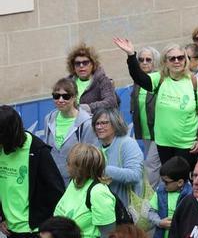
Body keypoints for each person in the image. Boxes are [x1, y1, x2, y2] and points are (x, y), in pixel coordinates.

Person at [115, 38, 198, 167]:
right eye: (172, 58)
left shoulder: (193, 81)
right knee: (169, 181)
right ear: (165, 62)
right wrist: (131, 55)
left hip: (187, 144)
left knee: (187, 181)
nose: (177, 61)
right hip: (163, 143)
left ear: (185, 60)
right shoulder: (160, 79)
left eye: (180, 58)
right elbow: (139, 78)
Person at [0, 106, 65, 238]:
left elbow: (56, 191)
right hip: (10, 230)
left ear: (7, 134)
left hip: (34, 231)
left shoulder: (37, 150)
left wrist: (46, 227)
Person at [53, 143, 117, 238]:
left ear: (80, 168)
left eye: (69, 163)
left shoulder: (98, 192)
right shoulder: (74, 182)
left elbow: (108, 234)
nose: (66, 166)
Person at [43, 78, 99, 185]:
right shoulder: (48, 119)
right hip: (53, 180)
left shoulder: (86, 123)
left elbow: (91, 158)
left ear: (75, 97)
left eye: (66, 96)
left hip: (77, 181)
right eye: (56, 96)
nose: (60, 100)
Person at [125, 44, 163, 189]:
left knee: (151, 164)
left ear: (156, 62)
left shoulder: (159, 80)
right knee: (154, 163)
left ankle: (150, 194)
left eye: (148, 60)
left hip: (158, 131)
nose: (144, 63)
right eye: (141, 60)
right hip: (145, 131)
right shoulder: (138, 82)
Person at [91, 108, 144, 208]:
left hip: (127, 208)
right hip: (105, 206)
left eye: (104, 123)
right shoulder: (95, 146)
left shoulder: (127, 143)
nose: (99, 127)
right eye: (96, 124)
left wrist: (103, 170)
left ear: (115, 124)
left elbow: (135, 175)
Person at [65, 44, 118, 113]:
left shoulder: (102, 80)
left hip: (96, 121)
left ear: (92, 64)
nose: (81, 66)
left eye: (85, 62)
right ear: (73, 67)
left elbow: (111, 102)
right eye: (77, 63)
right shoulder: (68, 83)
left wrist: (87, 108)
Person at [148, 156, 191, 238]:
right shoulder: (160, 191)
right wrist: (159, 222)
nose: (163, 184)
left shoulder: (190, 195)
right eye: (162, 180)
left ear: (180, 182)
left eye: (166, 182)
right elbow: (151, 211)